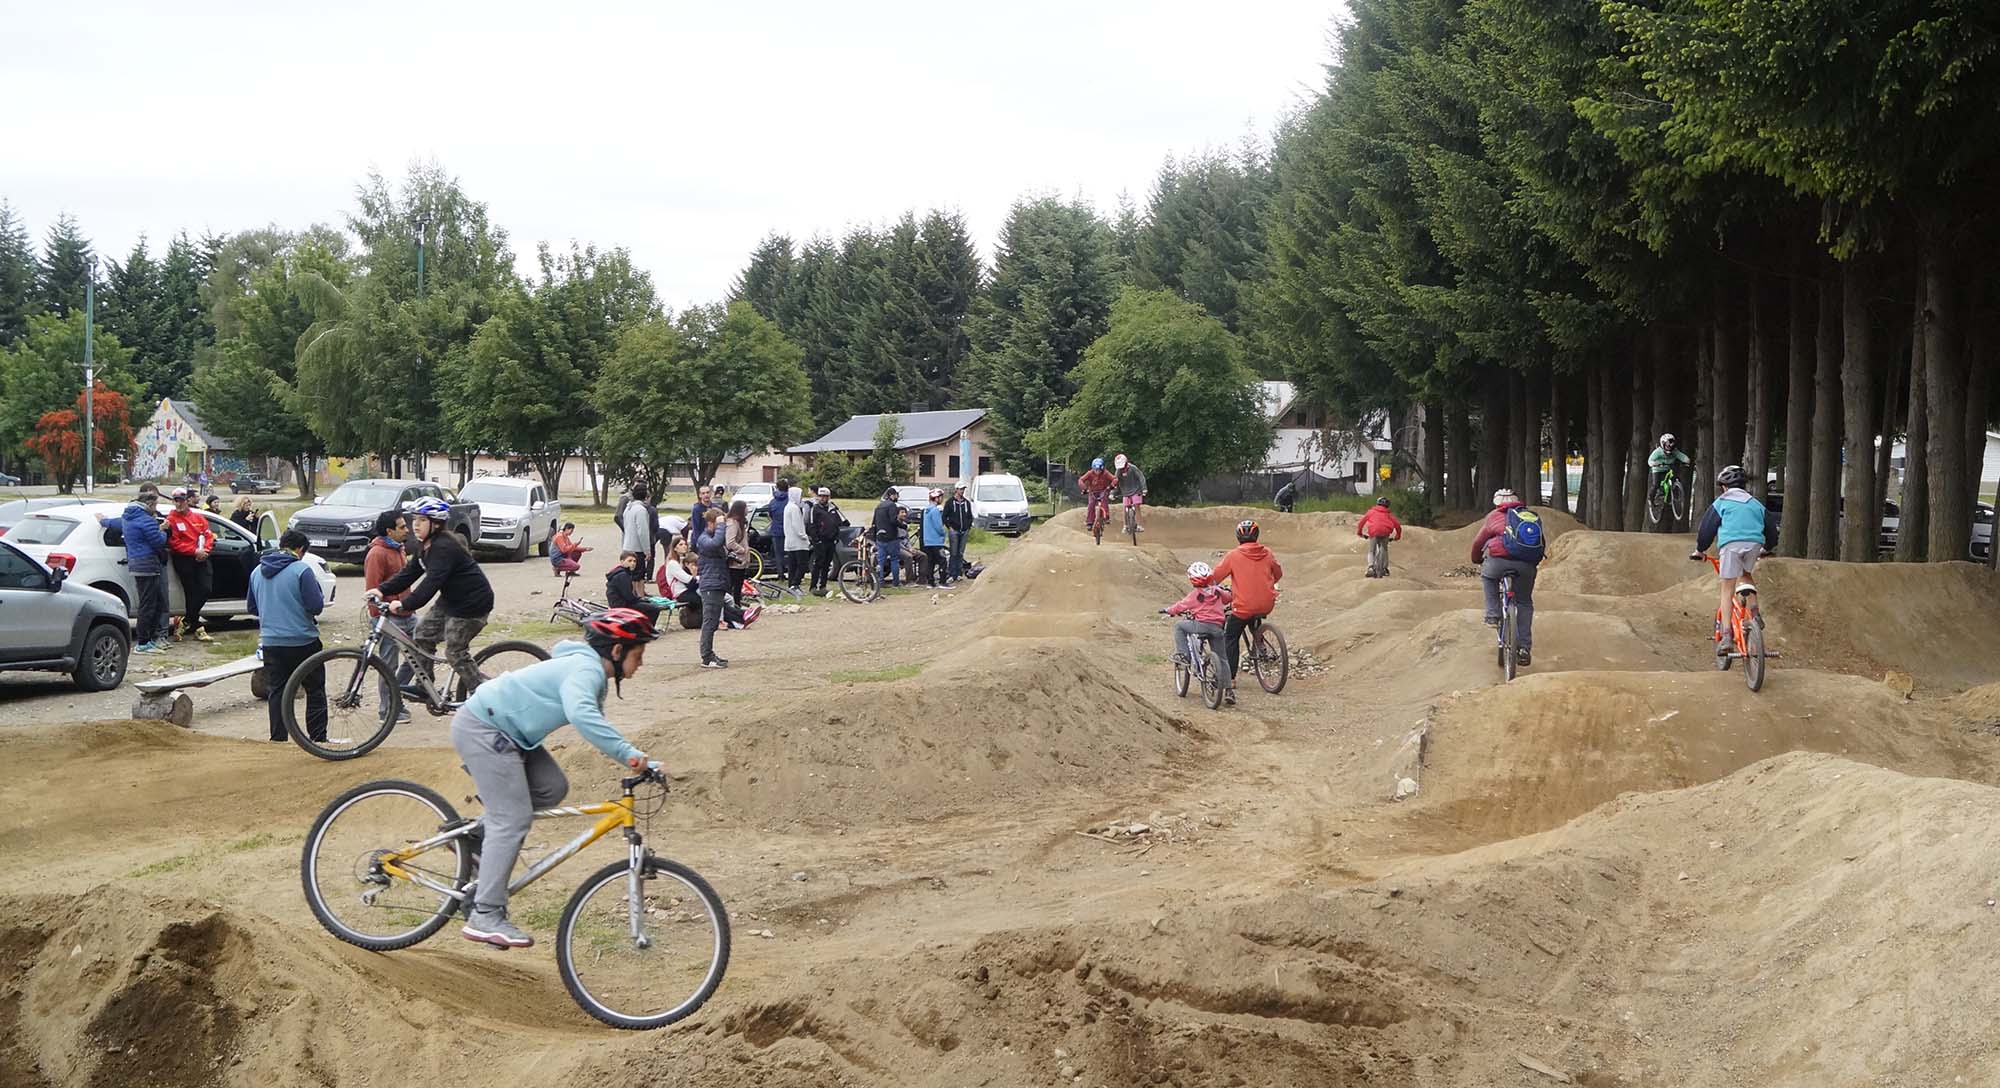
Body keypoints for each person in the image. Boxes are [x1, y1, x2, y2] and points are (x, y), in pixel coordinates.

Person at [453, 608, 661, 948]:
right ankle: (485, 914)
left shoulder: (589, 671)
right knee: (512, 819)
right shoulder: (586, 670)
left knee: (551, 788)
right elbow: (583, 716)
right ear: (617, 650)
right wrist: (631, 756)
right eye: (638, 655)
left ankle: (475, 839)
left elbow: (594, 722)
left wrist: (641, 760)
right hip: (484, 729)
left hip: (510, 734)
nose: (641, 663)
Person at [370, 498, 495, 696]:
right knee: (422, 636)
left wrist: (404, 604)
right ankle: (425, 687)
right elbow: (409, 573)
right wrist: (381, 590)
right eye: (414, 519)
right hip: (451, 601)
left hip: (472, 605)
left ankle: (483, 693)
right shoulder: (426, 545)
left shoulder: (444, 547)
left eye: (422, 520)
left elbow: (430, 584)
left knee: (454, 651)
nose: (415, 525)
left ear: (436, 524)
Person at [248, 530, 327, 744]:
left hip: (271, 641)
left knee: (278, 690)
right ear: (300, 549)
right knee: (315, 689)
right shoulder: (301, 570)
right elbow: (315, 606)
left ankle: (278, 739)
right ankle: (318, 739)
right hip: (303, 639)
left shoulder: (257, 571)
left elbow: (252, 607)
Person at [1693, 464, 1778, 652]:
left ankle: (1726, 636)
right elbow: (1771, 529)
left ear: (1724, 486)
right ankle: (1755, 613)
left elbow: (1706, 530)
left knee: (1727, 588)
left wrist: (1700, 550)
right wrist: (1766, 548)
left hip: (1731, 545)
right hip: (1754, 544)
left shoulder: (1721, 502)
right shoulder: (1756, 504)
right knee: (1746, 574)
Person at [1471, 488, 1547, 668]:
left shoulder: (1494, 516)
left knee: (1488, 578)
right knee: (1524, 602)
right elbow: (1540, 544)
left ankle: (1492, 615)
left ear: (1497, 503)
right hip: (1526, 566)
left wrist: (1476, 559)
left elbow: (1478, 542)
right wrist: (1532, 564)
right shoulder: (1529, 517)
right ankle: (1524, 648)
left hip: (1498, 562)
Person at [1210, 519, 1283, 704]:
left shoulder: (1233, 555)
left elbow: (1215, 577)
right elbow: (1278, 574)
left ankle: (1231, 677)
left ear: (1238, 537)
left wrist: (1209, 587)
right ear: (1257, 536)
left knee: (1230, 636)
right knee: (1253, 616)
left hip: (1243, 606)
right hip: (1266, 603)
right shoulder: (1268, 553)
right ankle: (1260, 645)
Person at [364, 510, 416, 725]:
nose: (407, 530)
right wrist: (379, 619)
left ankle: (397, 695)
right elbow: (372, 590)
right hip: (388, 619)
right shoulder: (377, 554)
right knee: (388, 665)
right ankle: (387, 710)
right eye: (402, 527)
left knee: (420, 655)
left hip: (407, 614)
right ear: (389, 531)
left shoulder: (399, 548)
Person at [118, 485, 171, 654]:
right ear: (149, 504)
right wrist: (162, 530)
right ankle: (144, 642)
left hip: (136, 562)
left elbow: (113, 523)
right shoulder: (146, 519)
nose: (156, 509)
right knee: (148, 604)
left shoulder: (128, 516)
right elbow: (158, 541)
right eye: (155, 505)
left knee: (150, 602)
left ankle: (147, 639)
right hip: (147, 564)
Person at [162, 487, 215, 642]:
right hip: (184, 559)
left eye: (181, 501)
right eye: (176, 501)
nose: (179, 504)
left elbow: (208, 535)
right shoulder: (171, 520)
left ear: (187, 501)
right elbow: (174, 543)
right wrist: (194, 551)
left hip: (202, 557)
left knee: (205, 589)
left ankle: (186, 621)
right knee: (191, 593)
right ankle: (197, 626)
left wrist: (205, 550)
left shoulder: (198, 517)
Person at [1161, 561, 1232, 670]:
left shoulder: (1194, 595)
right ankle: (1226, 681)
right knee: (1222, 659)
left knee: (1179, 626)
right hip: (1218, 627)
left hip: (1202, 625)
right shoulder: (1217, 591)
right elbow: (1228, 599)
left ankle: (1183, 656)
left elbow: (1180, 606)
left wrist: (1168, 611)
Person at [692, 508, 733, 668]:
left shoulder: (711, 537)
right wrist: (721, 525)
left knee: (713, 621)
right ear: (711, 523)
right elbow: (715, 543)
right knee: (709, 622)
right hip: (710, 584)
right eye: (720, 523)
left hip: (717, 582)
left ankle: (709, 654)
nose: (723, 526)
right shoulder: (703, 539)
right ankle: (707, 657)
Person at [805, 487, 845, 596]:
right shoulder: (815, 509)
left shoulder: (832, 509)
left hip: (831, 541)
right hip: (820, 541)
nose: (822, 498)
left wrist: (836, 537)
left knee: (827, 564)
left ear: (829, 497)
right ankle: (813, 586)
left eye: (825, 496)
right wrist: (816, 540)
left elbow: (839, 523)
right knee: (818, 563)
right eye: (821, 496)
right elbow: (811, 525)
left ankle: (823, 586)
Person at [606, 551, 662, 625]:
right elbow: (629, 597)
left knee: (647, 605)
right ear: (622, 562)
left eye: (634, 561)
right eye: (629, 561)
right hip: (620, 605)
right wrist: (641, 600)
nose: (632, 563)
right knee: (654, 609)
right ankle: (646, 629)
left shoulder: (623, 572)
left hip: (618, 603)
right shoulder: (622, 575)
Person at [1356, 496, 1403, 578]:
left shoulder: (1371, 512)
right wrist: (1397, 536)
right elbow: (1398, 526)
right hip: (1385, 532)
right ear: (1388, 506)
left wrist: (1359, 532)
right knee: (1384, 549)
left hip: (1373, 531)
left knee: (1372, 550)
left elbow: (1361, 523)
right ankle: (1385, 568)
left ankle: (1370, 567)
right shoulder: (1389, 514)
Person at [620, 485, 659, 582]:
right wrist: (647, 550)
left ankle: (632, 590)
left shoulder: (628, 509)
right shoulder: (641, 510)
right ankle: (638, 591)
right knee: (639, 577)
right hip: (637, 548)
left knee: (630, 575)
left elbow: (625, 528)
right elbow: (643, 532)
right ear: (645, 496)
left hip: (627, 546)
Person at [1647, 434, 1691, 506]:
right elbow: (1650, 461)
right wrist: (1655, 463)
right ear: (1663, 444)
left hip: (1668, 468)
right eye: (1667, 446)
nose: (1669, 448)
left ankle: (1673, 496)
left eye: (1671, 446)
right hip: (1657, 470)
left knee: (1675, 478)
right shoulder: (1658, 452)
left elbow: (1681, 456)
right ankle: (1651, 498)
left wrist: (1687, 460)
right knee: (1656, 484)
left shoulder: (1675, 451)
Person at [942, 482, 973, 583]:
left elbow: (970, 516)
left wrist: (968, 527)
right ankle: (952, 574)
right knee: (953, 553)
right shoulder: (950, 502)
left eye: (963, 489)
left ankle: (959, 573)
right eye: (960, 489)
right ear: (956, 490)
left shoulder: (966, 503)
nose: (962, 491)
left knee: (960, 553)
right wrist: (949, 527)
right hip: (954, 531)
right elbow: (944, 516)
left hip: (964, 531)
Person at [871, 488, 902, 589]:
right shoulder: (892, 505)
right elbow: (893, 520)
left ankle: (880, 581)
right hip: (891, 537)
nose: (897, 497)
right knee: (894, 559)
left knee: (880, 561)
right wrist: (903, 525)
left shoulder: (878, 506)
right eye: (897, 495)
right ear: (892, 495)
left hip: (880, 538)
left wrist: (875, 537)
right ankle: (896, 582)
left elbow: (874, 523)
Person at [782, 485, 810, 589]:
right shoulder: (794, 508)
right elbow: (797, 525)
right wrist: (805, 537)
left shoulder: (787, 507)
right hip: (798, 542)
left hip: (790, 541)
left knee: (792, 565)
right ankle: (795, 583)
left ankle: (791, 584)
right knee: (802, 564)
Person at [1077, 458, 1116, 533]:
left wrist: (1111, 486)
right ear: (1093, 468)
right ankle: (1090, 522)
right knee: (1091, 505)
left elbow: (1115, 479)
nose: (1098, 472)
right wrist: (1084, 488)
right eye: (1096, 470)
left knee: (1104, 502)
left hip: (1103, 490)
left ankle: (1106, 516)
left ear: (1102, 468)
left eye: (1099, 470)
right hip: (1092, 491)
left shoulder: (1105, 473)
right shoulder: (1089, 473)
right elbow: (1080, 480)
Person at [920, 488, 948, 587]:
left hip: (927, 541)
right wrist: (943, 533)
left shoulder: (926, 510)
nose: (942, 499)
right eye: (941, 497)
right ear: (936, 498)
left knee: (930, 562)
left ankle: (930, 582)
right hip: (936, 541)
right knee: (942, 560)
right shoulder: (935, 510)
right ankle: (943, 581)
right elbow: (938, 526)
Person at [1113, 453, 1148, 532]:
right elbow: (1115, 482)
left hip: (1136, 490)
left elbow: (1141, 477)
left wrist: (1144, 488)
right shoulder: (1118, 471)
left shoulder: (1133, 468)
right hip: (1125, 492)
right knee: (1125, 507)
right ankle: (1125, 526)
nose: (1122, 468)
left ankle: (1139, 525)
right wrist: (1112, 493)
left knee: (1136, 506)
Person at [764, 479, 792, 565]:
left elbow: (770, 515)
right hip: (790, 530)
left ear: (777, 488)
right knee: (791, 553)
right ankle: (790, 570)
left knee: (778, 554)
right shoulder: (791, 501)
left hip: (776, 531)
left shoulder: (772, 502)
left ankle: (780, 571)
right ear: (788, 488)